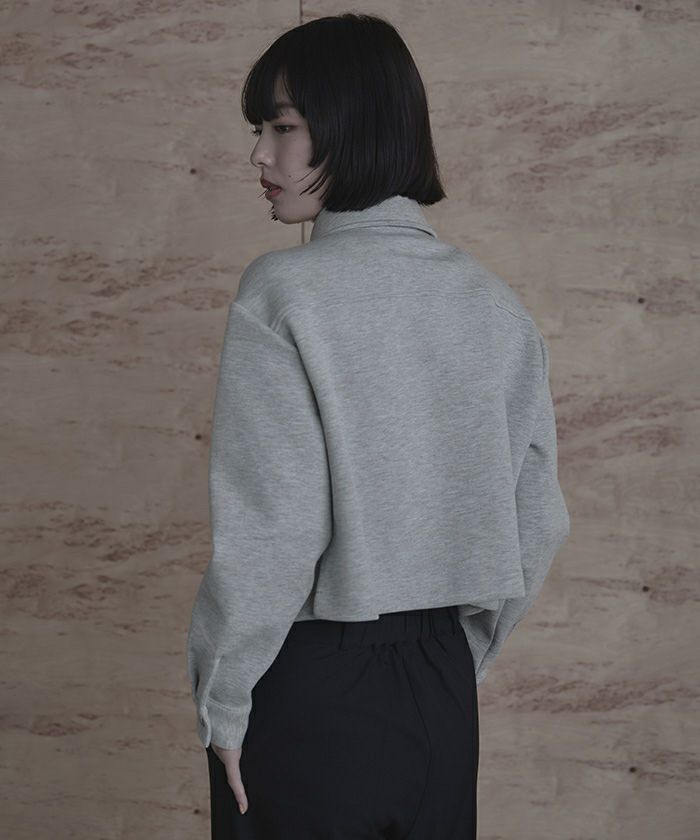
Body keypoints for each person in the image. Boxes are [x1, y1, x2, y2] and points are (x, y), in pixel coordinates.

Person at [186, 12, 571, 840]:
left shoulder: (284, 294)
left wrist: (223, 699)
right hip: (441, 691)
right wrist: (456, 662)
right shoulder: (494, 305)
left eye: (282, 127)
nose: (260, 156)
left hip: (312, 692)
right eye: (260, 131)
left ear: (351, 126)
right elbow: (539, 519)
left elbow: (274, 532)